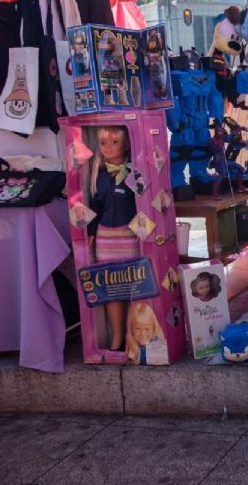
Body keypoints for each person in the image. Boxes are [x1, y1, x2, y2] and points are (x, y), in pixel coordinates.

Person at [87, 126, 137, 351]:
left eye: (114, 142)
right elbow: (94, 206)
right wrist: (89, 232)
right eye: (103, 143)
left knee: (135, 284)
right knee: (111, 288)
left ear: (126, 145)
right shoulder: (100, 175)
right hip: (105, 238)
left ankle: (132, 333)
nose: (107, 147)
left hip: (130, 236)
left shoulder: (135, 172)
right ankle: (117, 337)